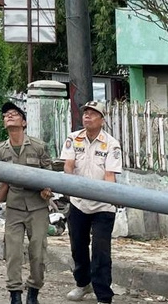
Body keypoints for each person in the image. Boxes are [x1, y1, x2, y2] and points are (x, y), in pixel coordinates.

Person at [0, 101, 53, 304]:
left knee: (38, 253)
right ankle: (15, 294)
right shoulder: (1, 152)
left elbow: (49, 177)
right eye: (6, 114)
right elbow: (3, 183)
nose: (9, 116)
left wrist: (47, 190)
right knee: (13, 253)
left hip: (37, 207)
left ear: (24, 122)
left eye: (14, 114)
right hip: (14, 208)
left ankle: (33, 290)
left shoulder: (38, 147)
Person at [61, 101, 123, 304]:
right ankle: (82, 284)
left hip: (103, 206)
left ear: (102, 120)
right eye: (85, 113)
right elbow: (68, 166)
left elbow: (110, 176)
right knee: (78, 247)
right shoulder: (73, 138)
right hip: (78, 202)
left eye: (93, 114)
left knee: (100, 251)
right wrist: (69, 192)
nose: (87, 116)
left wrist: (108, 198)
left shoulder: (111, 144)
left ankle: (104, 296)